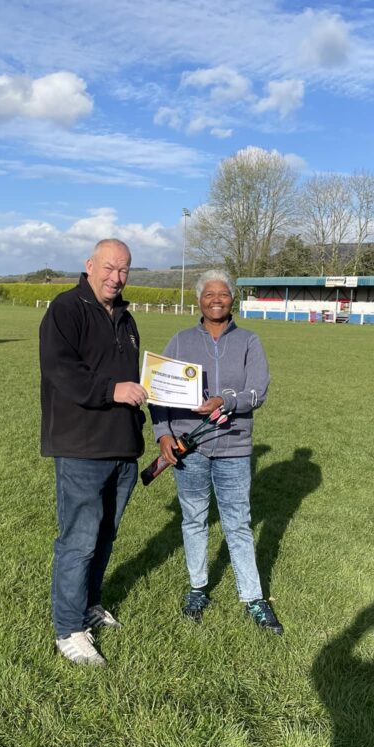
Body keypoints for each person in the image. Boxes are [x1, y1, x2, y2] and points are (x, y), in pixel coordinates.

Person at [152, 270, 282, 632]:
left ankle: (253, 598)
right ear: (199, 300)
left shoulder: (249, 341)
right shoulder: (179, 341)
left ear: (232, 300)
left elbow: (259, 391)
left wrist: (224, 400)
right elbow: (158, 392)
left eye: (222, 294)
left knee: (238, 523)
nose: (215, 299)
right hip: (187, 448)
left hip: (234, 448)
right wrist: (163, 434)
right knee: (193, 519)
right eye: (209, 294)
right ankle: (198, 589)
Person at [39, 239, 147, 666]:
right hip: (82, 447)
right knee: (79, 541)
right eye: (109, 267)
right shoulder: (66, 309)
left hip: (122, 447)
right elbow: (61, 371)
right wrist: (111, 390)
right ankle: (68, 629)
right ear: (89, 266)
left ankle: (89, 605)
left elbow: (133, 380)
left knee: (104, 537)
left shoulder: (126, 317)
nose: (115, 277)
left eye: (123, 270)